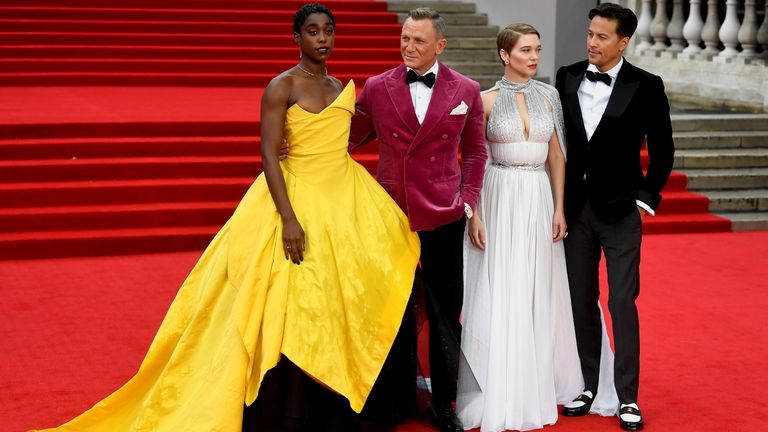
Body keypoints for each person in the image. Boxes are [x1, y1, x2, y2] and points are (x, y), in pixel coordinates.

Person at [33, 4, 420, 432]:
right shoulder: (281, 86)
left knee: (366, 279)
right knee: (288, 297)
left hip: (346, 195)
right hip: (295, 197)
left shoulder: (339, 86)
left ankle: (352, 392)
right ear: (297, 38)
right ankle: (288, 407)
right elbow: (270, 155)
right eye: (313, 32)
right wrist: (289, 219)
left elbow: (347, 137)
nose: (322, 39)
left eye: (329, 30)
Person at [456, 24, 618, 432]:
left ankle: (541, 377)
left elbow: (557, 157)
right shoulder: (484, 100)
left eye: (538, 50)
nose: (534, 57)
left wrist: (560, 207)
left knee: (537, 286)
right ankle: (500, 382)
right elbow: (471, 158)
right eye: (525, 50)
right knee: (502, 284)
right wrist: (472, 212)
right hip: (497, 196)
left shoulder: (550, 97)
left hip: (538, 197)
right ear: (504, 55)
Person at [348, 7, 487, 432]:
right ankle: (394, 400)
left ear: (439, 46)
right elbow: (347, 138)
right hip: (391, 216)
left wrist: (466, 202)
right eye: (405, 39)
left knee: (447, 312)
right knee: (393, 310)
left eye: (419, 41)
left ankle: (444, 403)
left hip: (444, 216)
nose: (409, 47)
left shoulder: (466, 89)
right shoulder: (376, 87)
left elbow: (476, 152)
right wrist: (298, 140)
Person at [555, 3, 674, 431]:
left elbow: (663, 150)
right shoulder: (567, 76)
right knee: (580, 300)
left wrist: (644, 200)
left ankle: (627, 397)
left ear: (623, 42)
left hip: (621, 212)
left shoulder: (647, 85)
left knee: (622, 302)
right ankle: (587, 385)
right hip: (576, 210)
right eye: (590, 34)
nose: (592, 42)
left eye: (602, 37)